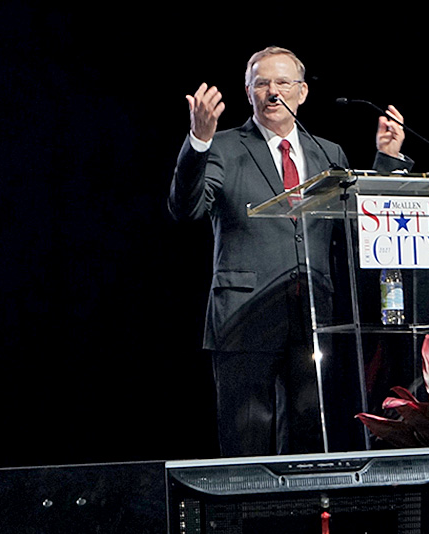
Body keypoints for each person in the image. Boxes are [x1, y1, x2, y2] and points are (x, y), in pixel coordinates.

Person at [168, 46, 412, 457]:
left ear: (302, 92)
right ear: (248, 93)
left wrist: (387, 162)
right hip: (245, 319)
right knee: (246, 445)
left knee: (309, 440)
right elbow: (186, 208)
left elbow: (358, 228)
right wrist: (198, 141)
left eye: (282, 82)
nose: (273, 91)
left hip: (313, 317)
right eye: (262, 83)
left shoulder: (328, 153)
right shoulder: (223, 147)